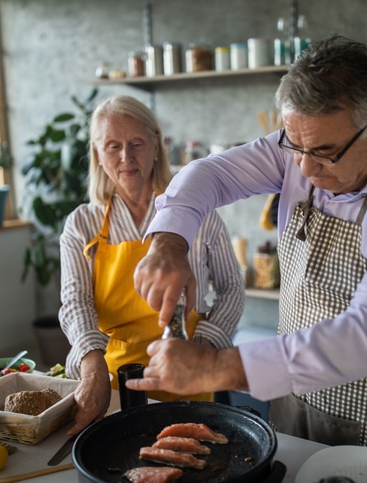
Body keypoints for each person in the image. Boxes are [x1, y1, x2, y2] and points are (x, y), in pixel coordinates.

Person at [130, 35, 367, 475]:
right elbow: (207, 173)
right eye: (293, 146)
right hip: (298, 389)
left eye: (324, 153)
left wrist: (215, 368)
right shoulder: (301, 148)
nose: (303, 168)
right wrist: (170, 240)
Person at [58, 95, 245, 436]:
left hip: (187, 372)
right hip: (115, 384)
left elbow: (231, 286)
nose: (126, 157)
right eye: (113, 146)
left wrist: (204, 347)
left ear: (157, 145)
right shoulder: (82, 224)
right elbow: (75, 301)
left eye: (137, 143)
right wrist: (92, 367)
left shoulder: (198, 214)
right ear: (98, 155)